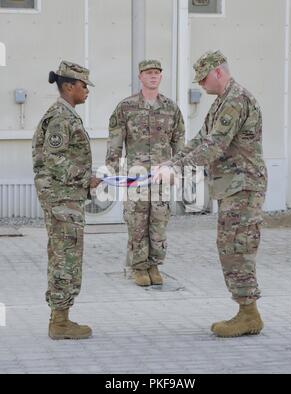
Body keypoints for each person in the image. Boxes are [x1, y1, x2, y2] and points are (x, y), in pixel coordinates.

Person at [153, 50, 268, 337]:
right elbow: (200, 139)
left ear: (218, 72)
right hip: (231, 186)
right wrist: (173, 161)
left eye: (204, 79)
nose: (201, 85)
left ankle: (248, 314)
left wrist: (177, 169)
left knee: (238, 247)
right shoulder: (221, 102)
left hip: (243, 185)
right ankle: (246, 310)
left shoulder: (236, 100)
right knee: (229, 245)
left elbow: (215, 145)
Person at [32, 60, 100, 340]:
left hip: (66, 197)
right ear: (69, 86)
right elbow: (54, 158)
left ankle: (61, 318)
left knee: (66, 254)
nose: (87, 91)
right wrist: (86, 178)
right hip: (61, 199)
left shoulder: (67, 114)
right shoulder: (61, 116)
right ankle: (59, 322)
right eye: (84, 86)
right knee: (65, 256)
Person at [106, 60, 185, 287]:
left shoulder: (170, 108)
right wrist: (112, 168)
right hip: (136, 177)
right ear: (140, 76)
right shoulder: (126, 107)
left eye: (157, 73)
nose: (153, 76)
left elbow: (179, 139)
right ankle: (138, 266)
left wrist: (178, 168)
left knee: (159, 220)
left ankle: (154, 264)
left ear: (161, 77)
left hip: (162, 176)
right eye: (149, 73)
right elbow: (115, 140)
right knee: (137, 220)